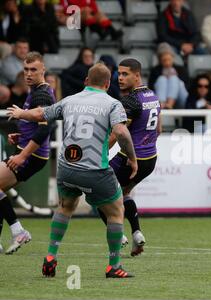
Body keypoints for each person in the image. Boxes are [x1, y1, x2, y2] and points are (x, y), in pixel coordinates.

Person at [7, 62, 137, 278]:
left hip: (66, 168)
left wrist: (21, 113)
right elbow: (121, 133)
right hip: (94, 170)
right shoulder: (112, 104)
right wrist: (132, 158)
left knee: (65, 207)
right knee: (116, 211)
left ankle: (51, 256)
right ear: (107, 84)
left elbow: (41, 114)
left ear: (86, 81)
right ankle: (114, 266)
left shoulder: (69, 100)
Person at [97, 58, 161, 257]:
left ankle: (119, 234)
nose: (120, 78)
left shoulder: (130, 101)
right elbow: (159, 128)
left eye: (125, 74)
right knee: (124, 193)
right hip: (150, 159)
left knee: (99, 193)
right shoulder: (152, 95)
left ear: (137, 75)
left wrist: (99, 153)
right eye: (119, 74)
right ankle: (137, 234)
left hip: (131, 160)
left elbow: (118, 133)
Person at [0, 51, 56, 255]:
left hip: (30, 156)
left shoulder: (41, 93)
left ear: (43, 70)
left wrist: (22, 155)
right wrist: (20, 134)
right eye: (26, 69)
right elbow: (36, 125)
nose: (29, 73)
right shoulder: (35, 92)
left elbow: (45, 128)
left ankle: (18, 231)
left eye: (34, 69)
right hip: (30, 153)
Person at [149, 42, 189, 109]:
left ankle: (169, 105)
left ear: (173, 58)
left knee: (174, 78)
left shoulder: (181, 69)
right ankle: (162, 105)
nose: (167, 63)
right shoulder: (155, 70)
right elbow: (151, 88)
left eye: (169, 60)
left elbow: (187, 86)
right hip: (160, 98)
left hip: (181, 98)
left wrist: (175, 78)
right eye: (164, 60)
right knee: (162, 79)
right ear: (160, 60)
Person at [58, 0, 123, 40]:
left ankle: (111, 31)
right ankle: (100, 31)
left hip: (87, 17)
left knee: (100, 14)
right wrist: (81, 10)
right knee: (86, 13)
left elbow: (95, 9)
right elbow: (64, 10)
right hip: (70, 18)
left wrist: (88, 10)